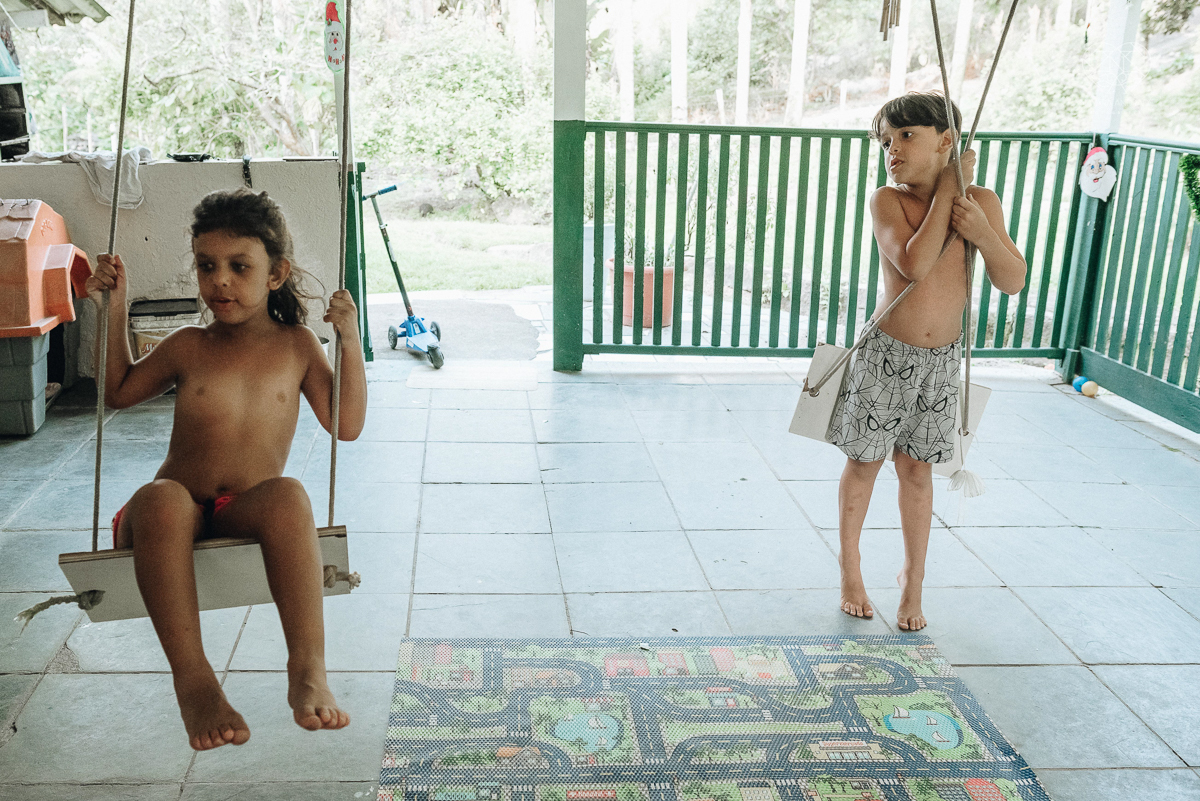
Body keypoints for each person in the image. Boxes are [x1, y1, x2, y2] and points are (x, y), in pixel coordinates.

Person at [85, 188, 368, 750]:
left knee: (288, 493)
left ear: (275, 273)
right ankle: (195, 683)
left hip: (244, 511)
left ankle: (308, 669)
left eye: (239, 267)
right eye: (206, 266)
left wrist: (350, 340)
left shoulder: (298, 346)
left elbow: (347, 424)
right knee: (161, 496)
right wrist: (112, 307)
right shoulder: (188, 345)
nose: (219, 281)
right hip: (176, 514)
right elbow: (116, 391)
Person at [829, 92, 1026, 631]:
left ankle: (913, 581)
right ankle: (851, 567)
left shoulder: (979, 200)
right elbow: (914, 263)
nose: (892, 149)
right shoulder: (886, 201)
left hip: (941, 363)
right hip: (885, 358)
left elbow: (1012, 281)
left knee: (917, 469)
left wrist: (982, 232)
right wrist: (945, 189)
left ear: (946, 141)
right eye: (886, 142)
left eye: (906, 136)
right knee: (865, 464)